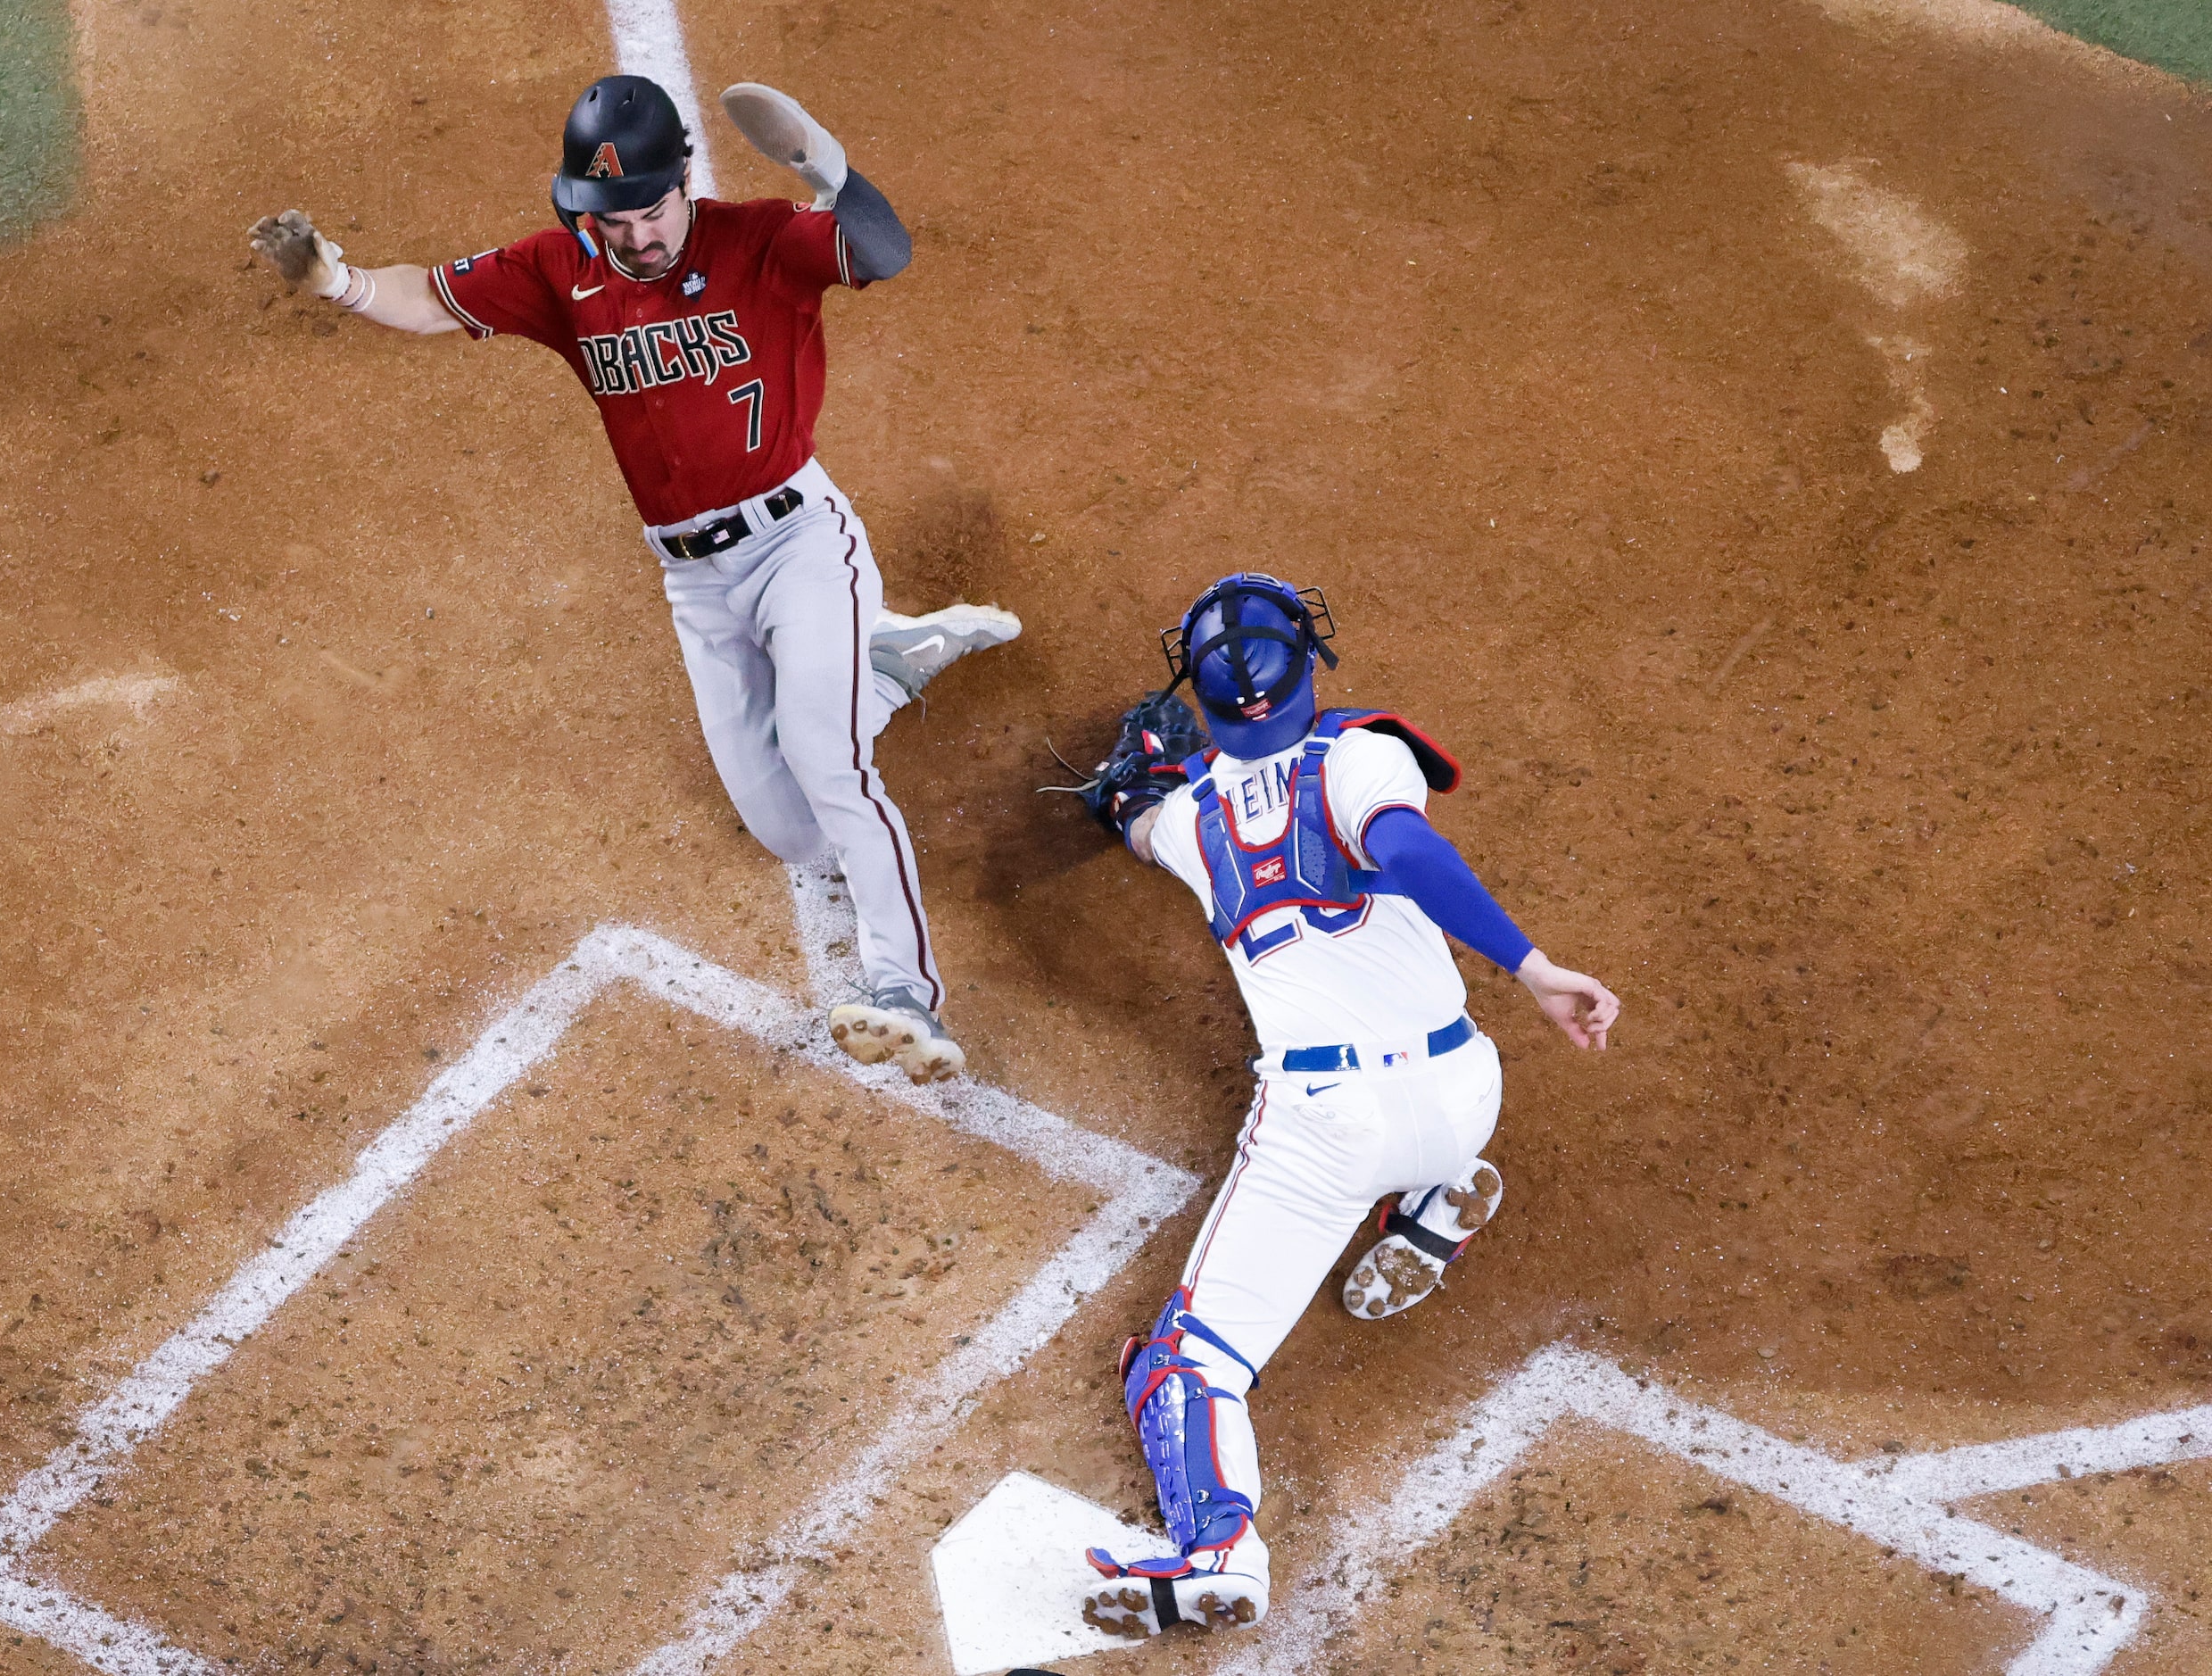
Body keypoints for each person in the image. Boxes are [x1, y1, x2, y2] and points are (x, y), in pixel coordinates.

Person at [246, 77, 1015, 1083]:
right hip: (693, 583)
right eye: (613, 218)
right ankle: (890, 660)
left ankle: (901, 988)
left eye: (652, 209)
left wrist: (829, 174)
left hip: (797, 544)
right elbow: (431, 299)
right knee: (787, 833)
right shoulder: (560, 270)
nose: (638, 235)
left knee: (830, 765)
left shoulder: (761, 241)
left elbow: (884, 251)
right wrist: (335, 280)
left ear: (684, 180)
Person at [1065, 573, 1620, 1635]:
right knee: (1430, 1114)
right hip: (1464, 1084)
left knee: (1182, 1367)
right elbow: (1407, 849)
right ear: (1309, 665)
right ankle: (1436, 1194)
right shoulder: (1367, 758)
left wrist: (1124, 790)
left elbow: (1129, 817)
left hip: (1326, 1134)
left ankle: (1216, 1547)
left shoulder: (1184, 820)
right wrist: (1535, 968)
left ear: (1205, 705)